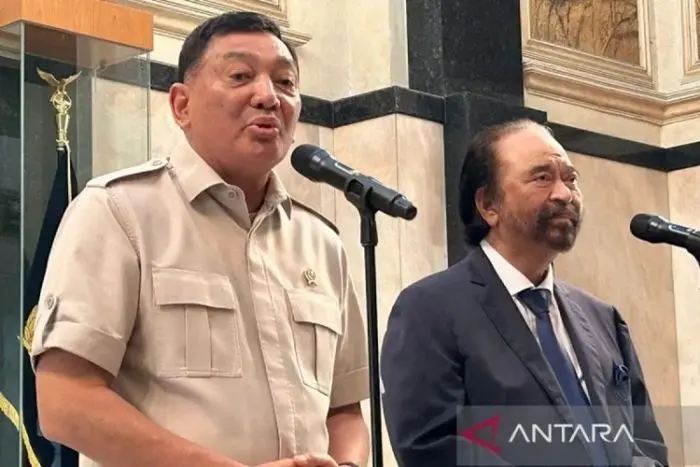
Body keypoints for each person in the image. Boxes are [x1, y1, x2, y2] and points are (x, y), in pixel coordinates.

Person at [30, 11, 369, 467]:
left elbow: (344, 411)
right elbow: (65, 402)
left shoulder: (322, 243)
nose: (268, 96)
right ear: (182, 105)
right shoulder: (118, 212)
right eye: (240, 76)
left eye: (285, 82)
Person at [379, 119, 668, 467]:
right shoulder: (429, 310)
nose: (564, 194)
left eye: (570, 178)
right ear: (488, 205)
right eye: (542, 178)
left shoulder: (603, 318)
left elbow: (645, 444)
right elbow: (431, 445)